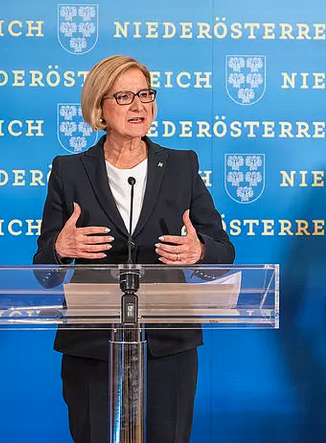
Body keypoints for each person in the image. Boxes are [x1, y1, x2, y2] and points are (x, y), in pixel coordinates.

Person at [33, 55, 235, 443]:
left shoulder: (181, 166)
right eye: (124, 96)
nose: (139, 105)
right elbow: (44, 272)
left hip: (168, 343)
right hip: (93, 343)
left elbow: (223, 253)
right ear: (99, 108)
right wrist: (60, 247)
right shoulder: (69, 171)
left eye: (145, 94)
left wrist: (199, 252)